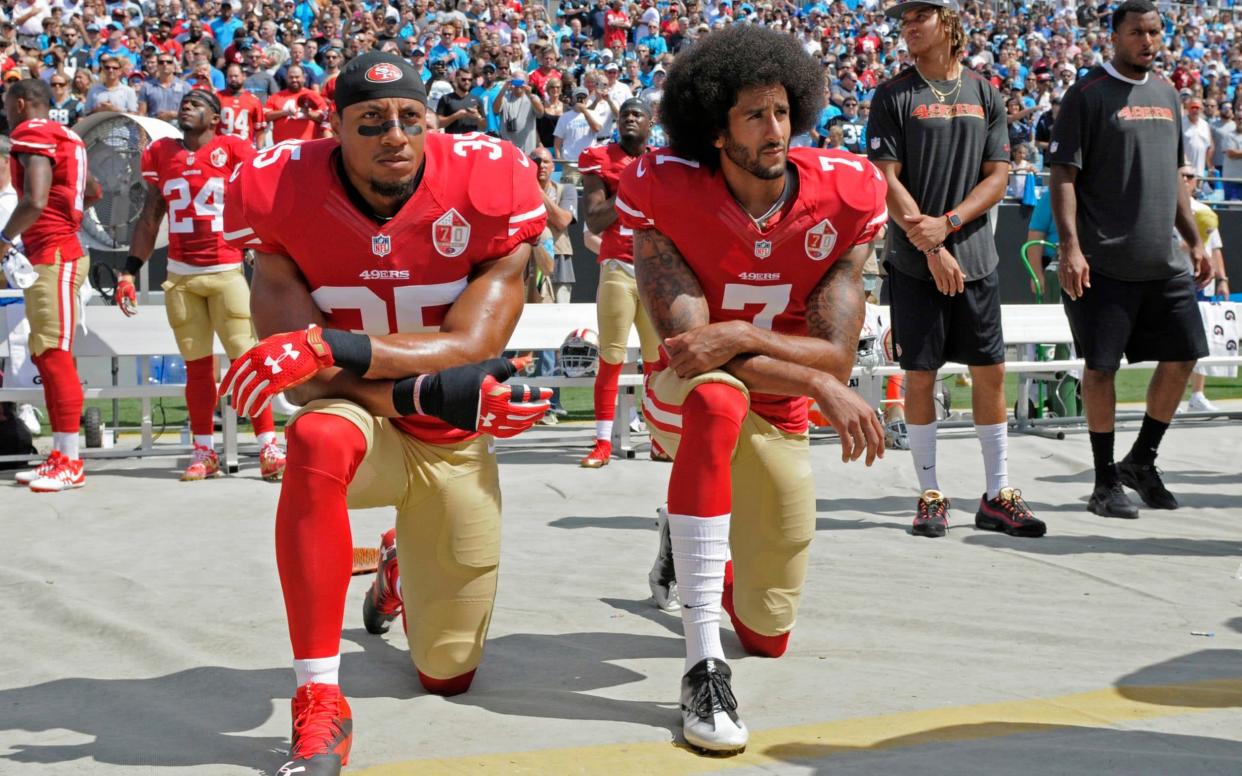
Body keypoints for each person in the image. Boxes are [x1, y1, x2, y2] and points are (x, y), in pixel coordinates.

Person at [219, 52, 550, 776]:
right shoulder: (279, 188)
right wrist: (406, 392)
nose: (394, 133)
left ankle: (398, 568)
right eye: (370, 122)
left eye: (409, 117)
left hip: (448, 442)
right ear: (335, 129)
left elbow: (471, 344)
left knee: (448, 674)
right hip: (361, 419)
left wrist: (330, 344)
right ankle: (320, 699)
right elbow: (306, 384)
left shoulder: (487, 180)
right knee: (314, 433)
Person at [616, 25, 886, 754]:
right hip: (690, 395)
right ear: (713, 127)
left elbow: (830, 355)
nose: (777, 130)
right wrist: (801, 374)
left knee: (768, 635)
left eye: (782, 110)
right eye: (754, 115)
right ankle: (701, 661)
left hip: (780, 407)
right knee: (712, 399)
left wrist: (744, 337)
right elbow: (691, 352)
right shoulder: (662, 188)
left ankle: (691, 534)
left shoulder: (847, 192)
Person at [866, 0, 1045, 540]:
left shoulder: (985, 92)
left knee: (989, 370)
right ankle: (930, 494)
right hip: (916, 262)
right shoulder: (894, 94)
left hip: (976, 258)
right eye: (903, 20)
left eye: (919, 16)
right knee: (920, 374)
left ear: (947, 23)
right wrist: (929, 243)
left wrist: (949, 225)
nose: (909, 27)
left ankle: (997, 494)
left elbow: (998, 176)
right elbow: (886, 179)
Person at [1049, 0, 1212, 519]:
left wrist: (1194, 241)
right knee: (1100, 370)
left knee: (1185, 355)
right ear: (1115, 36)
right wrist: (1071, 248)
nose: (1148, 40)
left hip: (1164, 262)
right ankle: (1104, 483)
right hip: (1103, 263)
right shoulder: (1087, 94)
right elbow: (1064, 176)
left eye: (1155, 32)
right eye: (1137, 32)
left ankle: (1141, 460)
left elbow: (1174, 180)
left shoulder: (1167, 92)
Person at [114, 90, 285, 482]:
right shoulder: (162, 154)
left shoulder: (234, 149)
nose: (187, 105)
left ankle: (268, 446)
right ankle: (204, 449)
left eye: (197, 102)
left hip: (226, 269)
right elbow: (150, 216)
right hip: (181, 274)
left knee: (248, 359)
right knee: (197, 369)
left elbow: (263, 202)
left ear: (215, 117)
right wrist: (128, 270)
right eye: (185, 101)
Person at [4, 78, 101, 492]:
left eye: (8, 107)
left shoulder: (32, 131)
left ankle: (71, 460)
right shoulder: (70, 137)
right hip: (58, 248)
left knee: (55, 355)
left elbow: (36, 199)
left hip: (53, 252)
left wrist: (5, 238)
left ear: (22, 104)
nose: (7, 114)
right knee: (46, 353)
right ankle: (62, 454)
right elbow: (92, 190)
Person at [577, 98, 659, 467]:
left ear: (650, 123)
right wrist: (631, 184)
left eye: (636, 114)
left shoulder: (662, 162)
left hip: (656, 270)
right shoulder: (601, 158)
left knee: (659, 361)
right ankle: (602, 442)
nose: (629, 118)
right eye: (624, 113)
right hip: (618, 267)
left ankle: (661, 438)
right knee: (611, 356)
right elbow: (594, 220)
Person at [1173, 165, 1231, 413]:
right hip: (1176, 278)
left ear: (1196, 181)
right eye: (1182, 175)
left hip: (1202, 281)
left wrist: (1223, 278)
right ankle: (1171, 397)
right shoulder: (1168, 208)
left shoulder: (1205, 211)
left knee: (1203, 338)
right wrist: (1191, 245)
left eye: (1191, 176)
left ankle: (1197, 394)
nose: (1186, 179)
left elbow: (1215, 249)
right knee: (1174, 340)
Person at [265, 64, 328, 143]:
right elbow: (265, 116)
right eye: (291, 77)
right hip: (283, 146)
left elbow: (326, 118)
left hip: (308, 146)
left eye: (297, 77)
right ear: (286, 78)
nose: (294, 80)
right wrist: (283, 112)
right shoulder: (276, 97)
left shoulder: (313, 96)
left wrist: (309, 114)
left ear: (304, 78)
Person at [492, 75, 543, 153]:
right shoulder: (504, 97)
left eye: (521, 82)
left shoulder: (533, 98)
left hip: (527, 148)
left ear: (527, 83)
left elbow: (541, 113)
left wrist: (529, 94)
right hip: (507, 148)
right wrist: (504, 88)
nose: (518, 85)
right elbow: (495, 110)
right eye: (515, 82)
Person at [217, 62, 265, 144]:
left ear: (243, 76)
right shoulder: (217, 97)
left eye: (236, 76)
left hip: (244, 147)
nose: (233, 79)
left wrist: (259, 149)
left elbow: (259, 129)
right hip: (222, 146)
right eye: (230, 76)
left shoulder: (254, 100)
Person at [137, 49, 190, 121]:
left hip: (178, 128)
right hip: (155, 127)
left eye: (169, 62)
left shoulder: (185, 87)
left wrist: (172, 114)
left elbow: (190, 112)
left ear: (174, 66)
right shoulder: (147, 87)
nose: (165, 64)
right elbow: (141, 114)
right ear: (158, 66)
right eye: (161, 62)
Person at [435, 67, 485, 134]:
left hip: (471, 141)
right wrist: (455, 116)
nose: (467, 82)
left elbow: (484, 128)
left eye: (470, 80)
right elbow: (439, 124)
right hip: (453, 140)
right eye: (463, 79)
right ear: (456, 79)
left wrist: (478, 117)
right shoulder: (446, 99)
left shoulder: (477, 100)